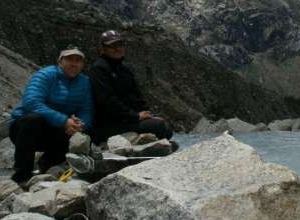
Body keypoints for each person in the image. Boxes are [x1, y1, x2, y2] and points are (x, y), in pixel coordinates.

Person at [9, 46, 93, 183]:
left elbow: (86, 109)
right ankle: (22, 174)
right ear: (60, 61)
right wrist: (64, 121)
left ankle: (47, 165)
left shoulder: (84, 82)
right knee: (33, 119)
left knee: (85, 133)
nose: (74, 63)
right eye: (69, 59)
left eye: (78, 60)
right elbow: (31, 102)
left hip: (57, 128)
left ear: (82, 64)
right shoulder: (46, 74)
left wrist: (80, 125)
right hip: (24, 131)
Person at [88, 30, 176, 148]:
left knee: (165, 128)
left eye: (120, 45)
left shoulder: (124, 69)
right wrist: (136, 116)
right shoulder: (99, 69)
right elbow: (107, 101)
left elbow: (136, 97)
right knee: (160, 127)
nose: (117, 48)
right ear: (103, 49)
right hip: (109, 124)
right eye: (112, 46)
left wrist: (148, 114)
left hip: (127, 120)